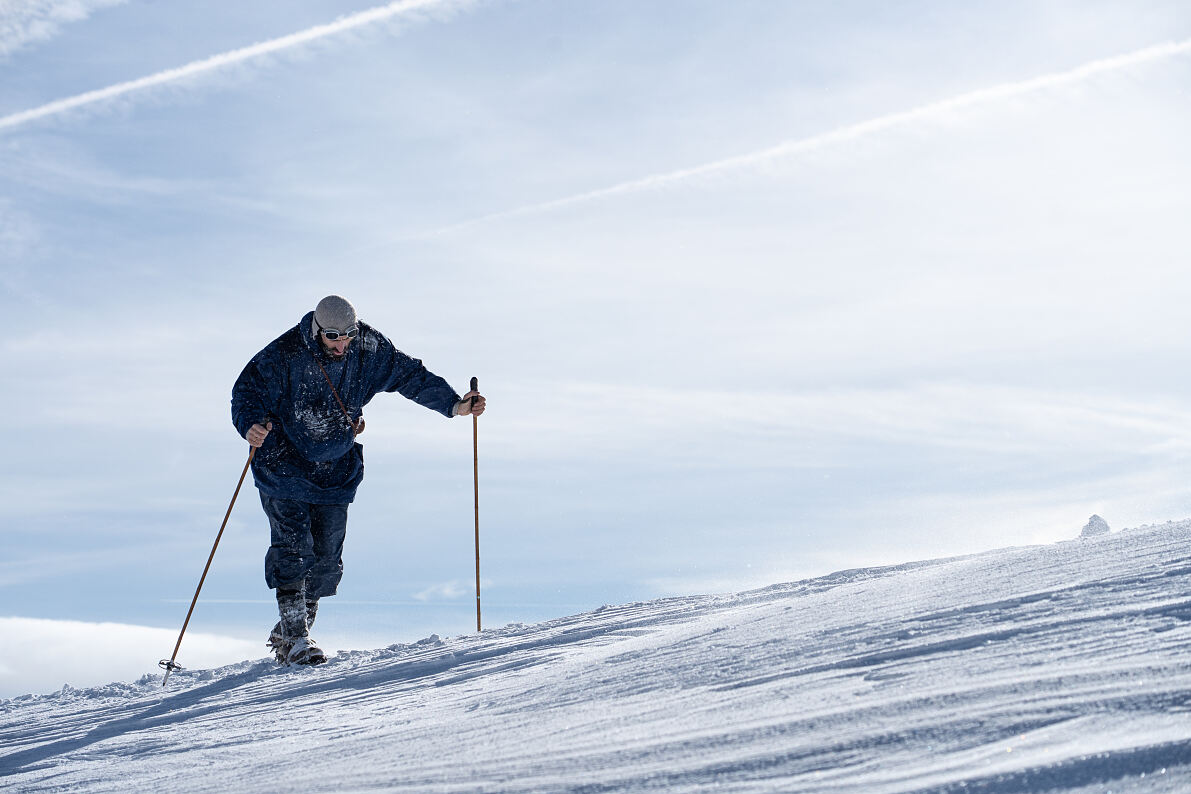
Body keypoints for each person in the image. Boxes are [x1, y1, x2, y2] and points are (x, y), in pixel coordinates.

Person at [231, 295, 485, 665]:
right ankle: (298, 638)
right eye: (332, 336)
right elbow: (247, 391)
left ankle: (290, 629)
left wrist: (453, 404)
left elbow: (408, 374)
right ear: (317, 329)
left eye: (348, 334)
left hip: (335, 467)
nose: (341, 343)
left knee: (326, 558)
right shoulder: (284, 353)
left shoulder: (368, 347)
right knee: (293, 549)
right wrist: (250, 425)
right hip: (283, 465)